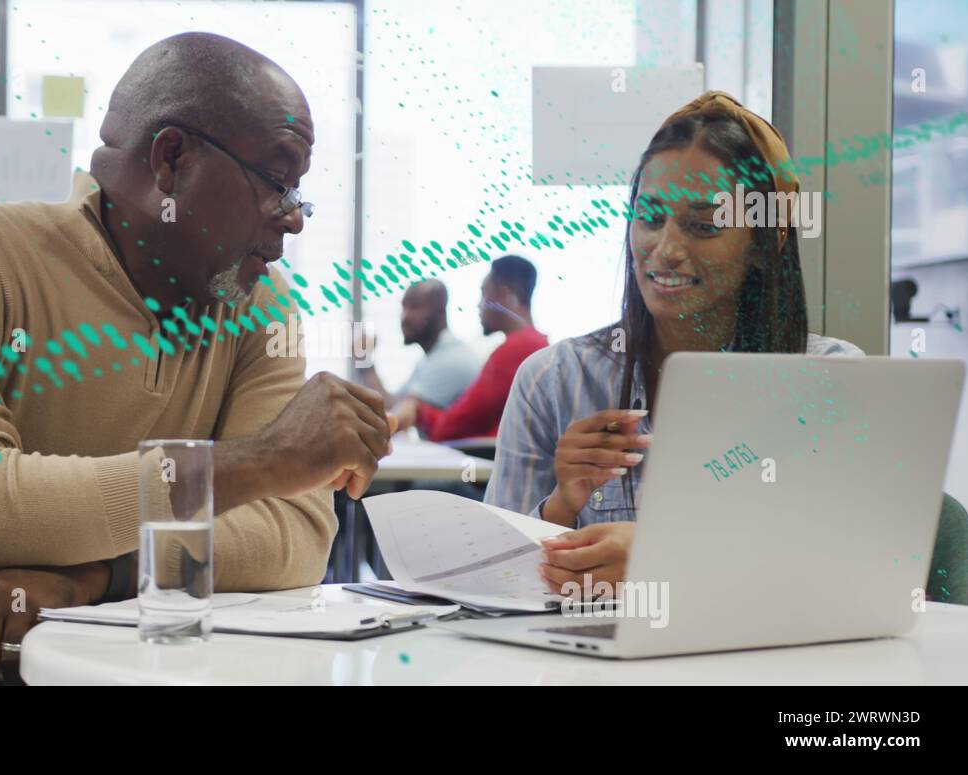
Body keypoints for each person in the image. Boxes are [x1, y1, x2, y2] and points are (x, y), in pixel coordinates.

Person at [0, 32, 394, 686]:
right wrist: (258, 461)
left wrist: (95, 579)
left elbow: (289, 536)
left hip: (119, 669)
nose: (292, 219)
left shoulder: (256, 306)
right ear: (171, 159)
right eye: (277, 182)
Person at [485, 91, 862, 596]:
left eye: (704, 225)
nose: (666, 250)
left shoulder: (828, 380)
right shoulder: (552, 381)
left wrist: (665, 558)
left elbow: (850, 570)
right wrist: (561, 505)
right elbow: (488, 582)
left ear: (767, 240)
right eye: (651, 218)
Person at [392, 255, 549, 441]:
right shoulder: (537, 344)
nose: (479, 305)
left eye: (484, 295)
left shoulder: (518, 349)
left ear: (504, 296)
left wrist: (419, 410)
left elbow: (455, 425)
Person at [354, 279, 482, 413]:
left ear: (440, 313)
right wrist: (364, 358)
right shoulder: (431, 357)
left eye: (415, 307)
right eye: (404, 307)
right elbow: (392, 402)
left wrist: (364, 361)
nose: (405, 317)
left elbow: (392, 415)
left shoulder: (450, 360)